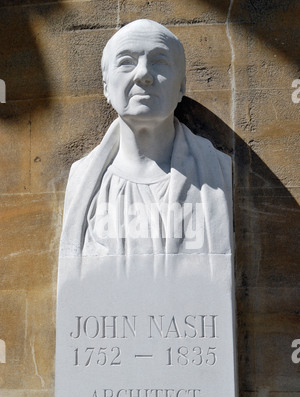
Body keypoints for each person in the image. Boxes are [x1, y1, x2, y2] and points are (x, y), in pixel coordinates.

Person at [60, 19, 232, 257]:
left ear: (181, 85)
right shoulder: (83, 181)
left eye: (159, 62)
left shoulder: (216, 172)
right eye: (126, 62)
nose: (143, 74)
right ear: (106, 87)